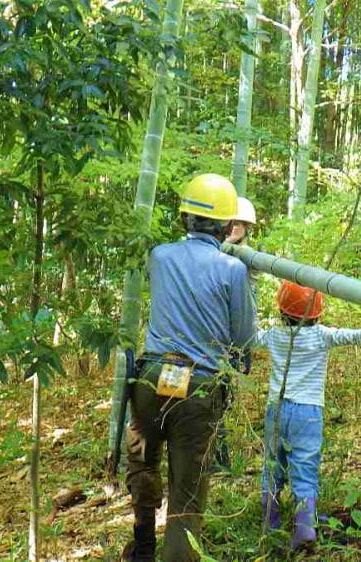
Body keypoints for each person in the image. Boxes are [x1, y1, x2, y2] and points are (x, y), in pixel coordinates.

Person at [124, 174, 256, 561]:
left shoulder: (160, 256)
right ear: (229, 226)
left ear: (185, 218)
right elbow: (244, 337)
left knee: (143, 464)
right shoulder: (233, 270)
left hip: (150, 378)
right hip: (198, 385)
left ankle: (142, 546)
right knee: (187, 489)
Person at [255, 281, 361, 549]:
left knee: (272, 466)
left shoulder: (275, 335)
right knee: (304, 470)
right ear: (316, 313)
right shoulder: (322, 335)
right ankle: (305, 526)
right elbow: (355, 336)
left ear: (282, 310)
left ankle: (270, 525)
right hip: (307, 413)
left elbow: (249, 335)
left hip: (276, 409)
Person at [212, 196, 258, 472]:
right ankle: (215, 456)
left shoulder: (246, 256)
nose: (235, 227)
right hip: (213, 331)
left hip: (235, 333)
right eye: (231, 221)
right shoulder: (214, 251)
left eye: (241, 223)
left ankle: (219, 458)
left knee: (219, 396)